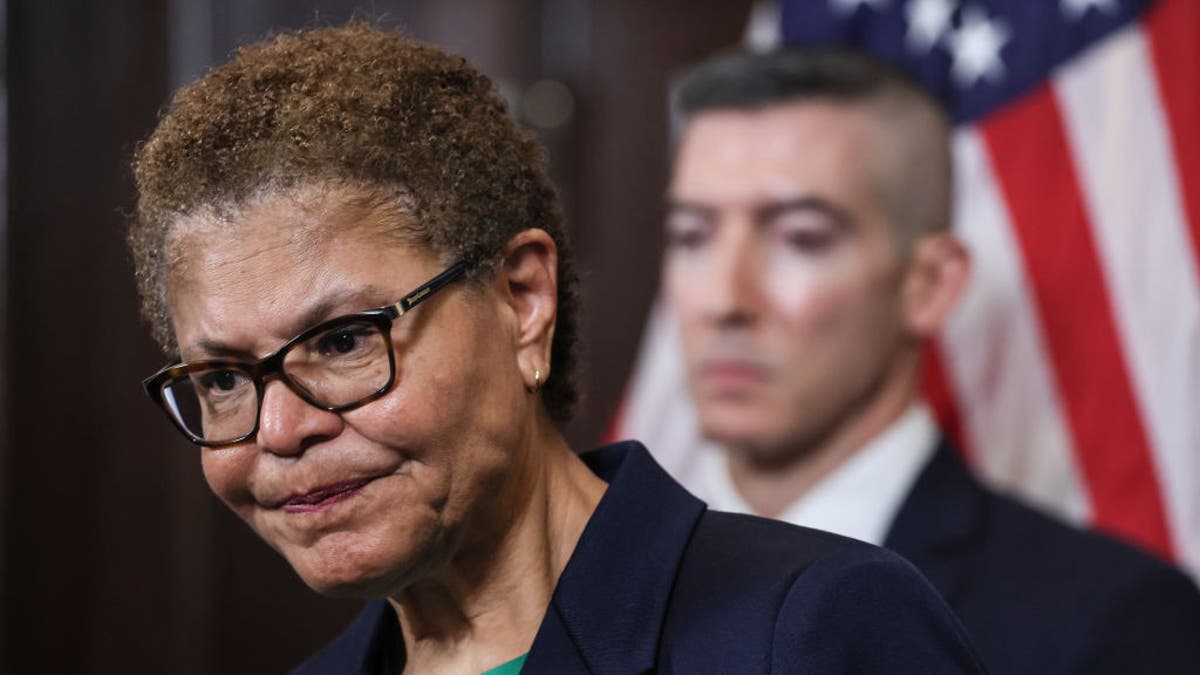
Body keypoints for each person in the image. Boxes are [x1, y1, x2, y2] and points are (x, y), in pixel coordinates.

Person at [129, 24, 983, 674]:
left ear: (522, 301)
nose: (278, 431)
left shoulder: (808, 630)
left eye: (344, 339)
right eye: (225, 379)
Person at [661, 46, 1200, 675]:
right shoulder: (598, 578)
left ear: (931, 285)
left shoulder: (1110, 623)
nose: (725, 299)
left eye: (801, 238)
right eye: (691, 236)